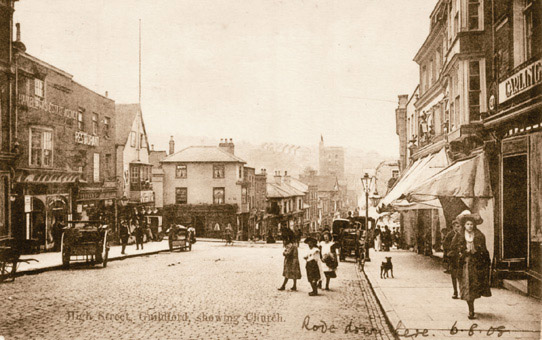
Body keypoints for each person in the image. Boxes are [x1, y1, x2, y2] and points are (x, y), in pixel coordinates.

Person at [449, 211, 491, 320]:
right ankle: (471, 309)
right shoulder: (459, 235)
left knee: (475, 285)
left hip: (476, 264)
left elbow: (484, 250)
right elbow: (452, 249)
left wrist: (480, 254)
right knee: (467, 285)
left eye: (472, 224)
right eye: (468, 224)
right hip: (464, 264)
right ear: (464, 225)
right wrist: (460, 253)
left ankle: (472, 305)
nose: (470, 226)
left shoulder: (479, 235)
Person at [443, 220, 461, 298]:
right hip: (453, 257)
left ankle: (462, 291)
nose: (459, 228)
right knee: (454, 274)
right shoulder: (450, 234)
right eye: (457, 226)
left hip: (461, 257)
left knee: (461, 274)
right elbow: (445, 245)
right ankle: (455, 291)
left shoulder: (462, 234)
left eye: (460, 226)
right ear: (453, 226)